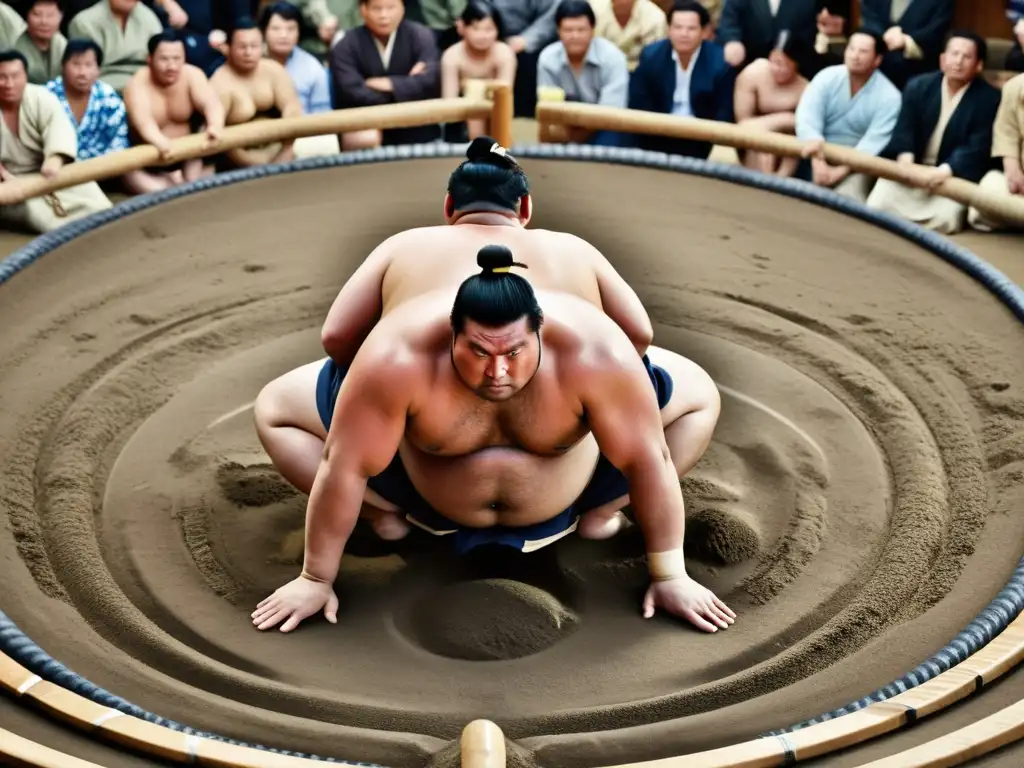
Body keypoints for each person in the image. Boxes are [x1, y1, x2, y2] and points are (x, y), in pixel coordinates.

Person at [252, 242, 733, 636]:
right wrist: (315, 579)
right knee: (275, 409)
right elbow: (345, 464)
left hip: (575, 492)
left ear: (541, 333)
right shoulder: (399, 358)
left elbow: (651, 457)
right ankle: (383, 515)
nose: (497, 372)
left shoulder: (594, 352)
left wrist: (670, 574)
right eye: (478, 352)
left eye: (515, 352)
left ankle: (600, 511)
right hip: (420, 499)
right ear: (451, 335)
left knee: (698, 397)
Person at [866, 32, 1000, 235]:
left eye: (967, 56)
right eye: (954, 54)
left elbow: (976, 146)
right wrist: (907, 164)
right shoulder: (918, 86)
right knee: (877, 204)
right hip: (913, 169)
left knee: (946, 219)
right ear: (942, 59)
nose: (958, 61)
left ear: (979, 65)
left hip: (951, 177)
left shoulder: (989, 99)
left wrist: (943, 172)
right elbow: (905, 130)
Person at [0, 50, 112, 232]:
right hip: (12, 180)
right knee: (38, 214)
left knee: (94, 199)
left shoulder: (40, 97)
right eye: (2, 77)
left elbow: (58, 127)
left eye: (15, 76)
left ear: (25, 76)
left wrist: (55, 158)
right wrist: (6, 178)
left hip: (53, 171)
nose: (9, 84)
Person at [795, 29, 902, 202]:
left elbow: (873, 142)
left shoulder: (889, 97)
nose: (855, 55)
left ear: (877, 60)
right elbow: (807, 118)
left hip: (857, 166)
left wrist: (840, 171)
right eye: (851, 49)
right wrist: (817, 161)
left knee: (849, 201)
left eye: (863, 51)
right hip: (818, 154)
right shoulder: (827, 77)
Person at [627, 0, 736, 159]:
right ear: (668, 29)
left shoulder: (719, 63)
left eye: (691, 28)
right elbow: (639, 104)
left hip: (702, 137)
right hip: (660, 133)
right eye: (677, 27)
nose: (683, 34)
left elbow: (724, 113)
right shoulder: (651, 56)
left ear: (705, 32)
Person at [122, 30, 225, 192]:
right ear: (149, 59)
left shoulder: (192, 74)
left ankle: (188, 179)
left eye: (177, 58)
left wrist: (215, 125)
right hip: (151, 161)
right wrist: (161, 142)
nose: (172, 66)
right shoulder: (137, 84)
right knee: (154, 189)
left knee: (206, 130)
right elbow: (143, 122)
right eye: (164, 59)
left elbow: (211, 104)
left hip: (190, 156)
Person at [210, 18, 305, 168]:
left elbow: (293, 108)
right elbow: (218, 133)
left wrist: (286, 151)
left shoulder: (274, 71)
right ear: (228, 48)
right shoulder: (219, 84)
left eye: (254, 46)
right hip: (238, 160)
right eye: (242, 47)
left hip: (283, 149)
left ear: (262, 47)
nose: (248, 52)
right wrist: (253, 167)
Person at [733, 30, 810, 177]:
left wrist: (785, 123)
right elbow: (743, 123)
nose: (778, 69)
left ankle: (781, 178)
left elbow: (804, 127)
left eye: (785, 65)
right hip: (751, 139)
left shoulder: (805, 88)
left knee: (792, 138)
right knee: (758, 141)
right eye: (775, 62)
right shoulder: (752, 74)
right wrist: (786, 118)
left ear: (796, 65)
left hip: (788, 148)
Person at [440, 1, 516, 141]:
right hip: (460, 120)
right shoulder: (452, 55)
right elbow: (449, 101)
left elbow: (505, 94)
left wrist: (477, 88)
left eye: (489, 29)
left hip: (497, 115)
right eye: (476, 29)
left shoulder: (504, 53)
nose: (483, 35)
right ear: (462, 27)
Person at [46, 39, 129, 162]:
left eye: (89, 65)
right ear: (63, 66)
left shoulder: (108, 97)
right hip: (55, 169)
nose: (82, 73)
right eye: (76, 64)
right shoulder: (47, 95)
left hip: (104, 169)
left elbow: (119, 140)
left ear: (98, 70)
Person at [67, 0, 164, 93]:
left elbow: (162, 57)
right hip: (104, 87)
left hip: (147, 84)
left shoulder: (149, 17)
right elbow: (84, 70)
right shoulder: (84, 22)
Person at [14, 0, 67, 85]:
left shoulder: (64, 45)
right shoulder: (16, 49)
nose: (44, 22)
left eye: (50, 15)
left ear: (61, 16)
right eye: (37, 15)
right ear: (27, 16)